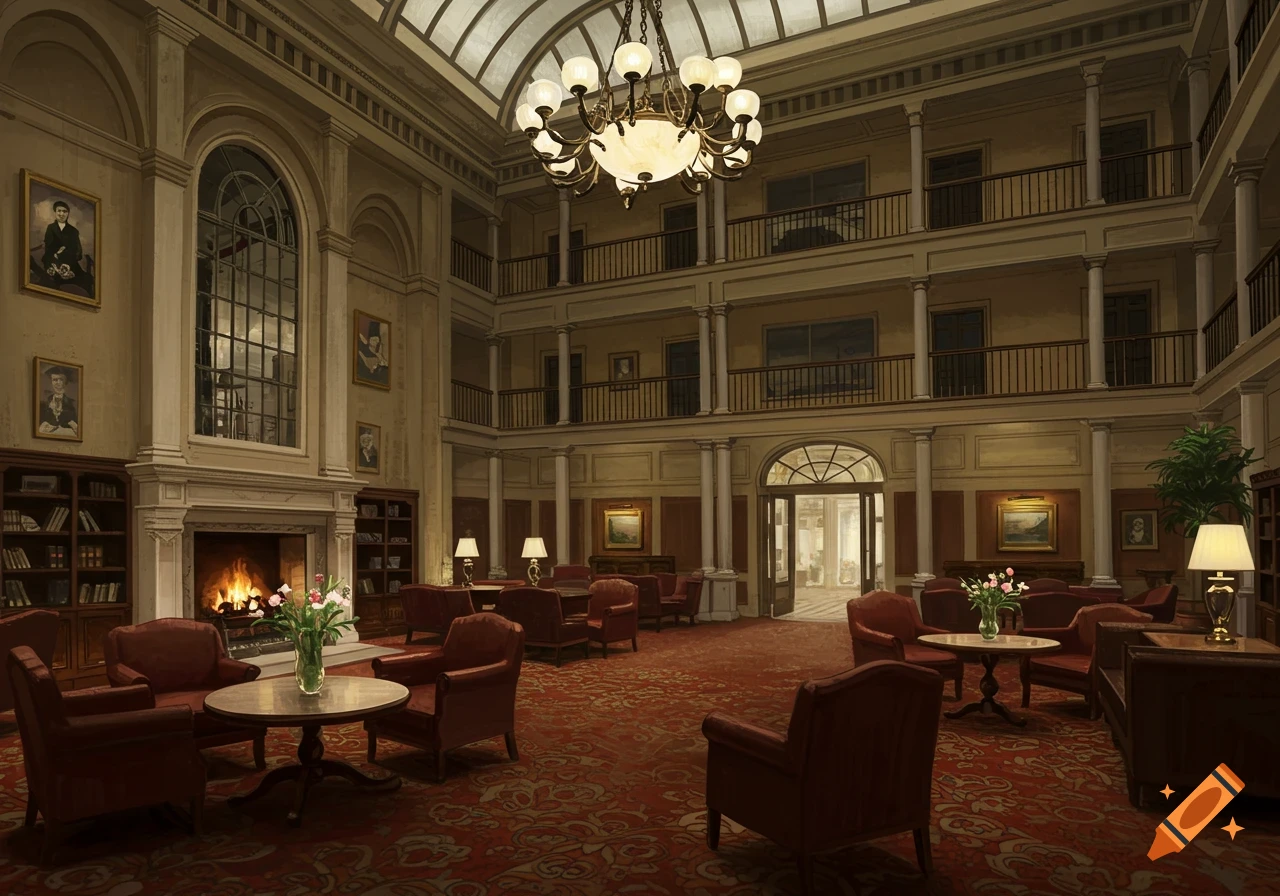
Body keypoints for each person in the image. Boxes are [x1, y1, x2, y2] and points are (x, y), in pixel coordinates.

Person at [40, 200, 91, 294]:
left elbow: (77, 252)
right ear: (55, 212)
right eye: (59, 211)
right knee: (50, 281)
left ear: (68, 214)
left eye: (64, 211)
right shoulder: (51, 228)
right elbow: (49, 248)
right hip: (52, 260)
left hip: (70, 262)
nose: (61, 214)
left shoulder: (73, 231)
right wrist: (58, 253)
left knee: (85, 280)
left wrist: (64, 254)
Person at [38, 366, 79, 437]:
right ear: (51, 382)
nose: (58, 383)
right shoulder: (44, 403)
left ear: (65, 382)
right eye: (55, 380)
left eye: (61, 380)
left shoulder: (73, 403)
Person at [357, 319, 389, 385]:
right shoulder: (366, 351)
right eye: (373, 340)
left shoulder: (379, 353)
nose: (376, 342)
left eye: (377, 340)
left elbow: (385, 363)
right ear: (370, 340)